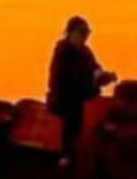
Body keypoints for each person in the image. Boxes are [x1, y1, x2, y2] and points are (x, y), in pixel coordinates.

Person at [46, 15, 117, 166]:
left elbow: (95, 69)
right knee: (74, 117)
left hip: (86, 96)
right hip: (65, 98)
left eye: (87, 32)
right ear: (71, 32)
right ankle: (66, 155)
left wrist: (105, 76)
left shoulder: (85, 52)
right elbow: (67, 78)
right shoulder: (63, 52)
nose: (85, 36)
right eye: (81, 32)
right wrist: (91, 81)